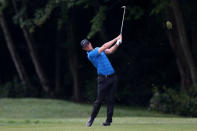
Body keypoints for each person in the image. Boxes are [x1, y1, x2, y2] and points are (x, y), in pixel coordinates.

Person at [80, 34, 122, 127]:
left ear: (90, 43)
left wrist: (118, 44)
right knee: (99, 100)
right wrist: (116, 38)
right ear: (84, 49)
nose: (87, 46)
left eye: (88, 44)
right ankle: (92, 118)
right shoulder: (90, 55)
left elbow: (110, 51)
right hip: (103, 79)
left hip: (113, 77)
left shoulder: (98, 49)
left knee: (111, 100)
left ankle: (108, 121)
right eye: (85, 46)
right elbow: (105, 46)